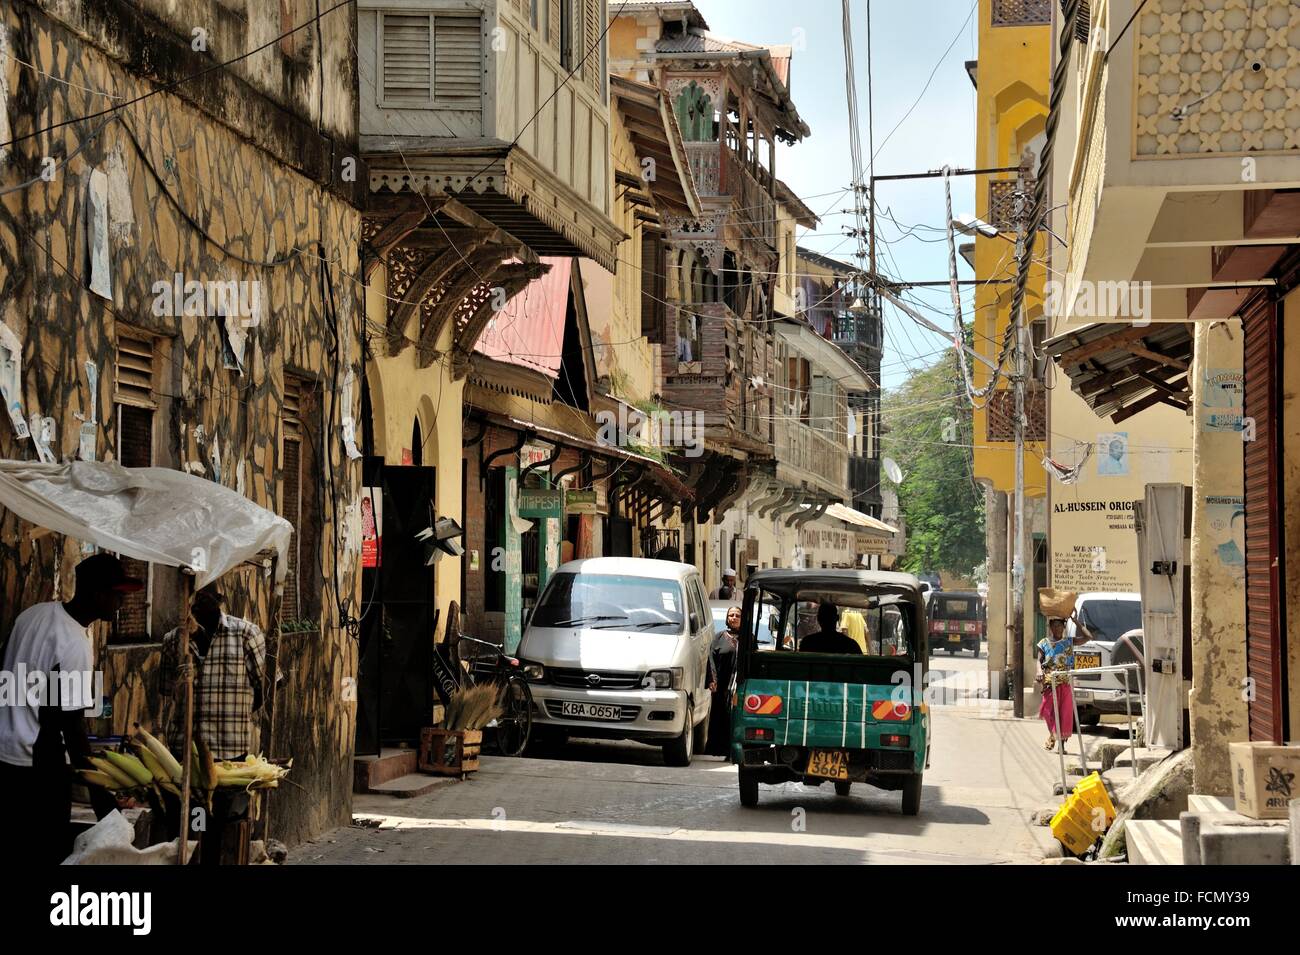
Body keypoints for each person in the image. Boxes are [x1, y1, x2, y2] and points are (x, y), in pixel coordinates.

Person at [0, 553, 143, 864]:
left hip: (4, 753)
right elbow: (71, 727)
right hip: (37, 768)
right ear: (97, 594)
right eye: (117, 595)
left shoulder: (32, 615)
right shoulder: (75, 644)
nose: (120, 603)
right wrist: (105, 807)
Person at [158, 585, 267, 761]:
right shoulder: (173, 640)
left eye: (205, 598)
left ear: (218, 600)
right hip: (184, 750)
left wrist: (236, 715)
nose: (200, 602)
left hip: (230, 749)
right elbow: (166, 691)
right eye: (196, 598)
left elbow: (265, 686)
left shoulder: (246, 634)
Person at [1035, 612, 1092, 750]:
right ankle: (1053, 735)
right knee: (1048, 711)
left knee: (1064, 714)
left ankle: (1060, 745)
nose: (1057, 629)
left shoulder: (1069, 642)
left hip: (1065, 682)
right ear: (1050, 628)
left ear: (1063, 627)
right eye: (1054, 626)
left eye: (1059, 626)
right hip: (1050, 682)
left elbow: (1088, 637)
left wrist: (1076, 621)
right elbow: (1039, 660)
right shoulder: (1044, 643)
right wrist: (1039, 671)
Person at [705, 606, 742, 757]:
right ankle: (722, 749)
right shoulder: (719, 637)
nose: (733, 618)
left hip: (740, 685)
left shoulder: (748, 638)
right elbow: (711, 659)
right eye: (731, 615)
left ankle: (736, 749)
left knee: (736, 717)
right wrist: (712, 680)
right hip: (722, 686)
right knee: (722, 716)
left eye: (737, 615)